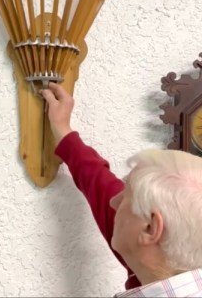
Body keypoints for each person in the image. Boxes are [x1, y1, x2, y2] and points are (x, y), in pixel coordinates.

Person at [41, 82, 202, 297]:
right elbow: (103, 188)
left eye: (126, 195)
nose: (113, 202)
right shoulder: (163, 263)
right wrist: (64, 133)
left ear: (150, 228)